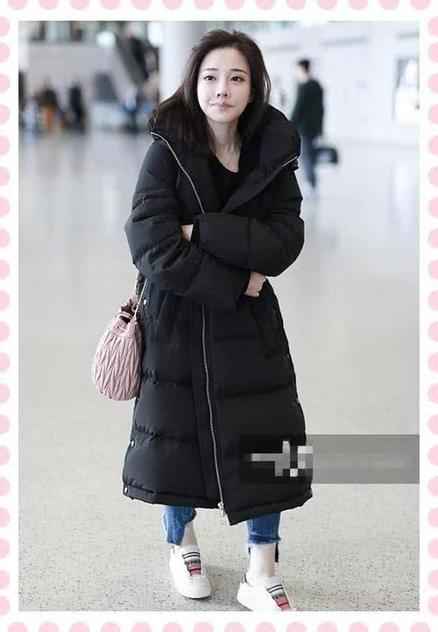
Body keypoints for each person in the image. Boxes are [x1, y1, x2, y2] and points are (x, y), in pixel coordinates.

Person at [121, 28, 313, 611]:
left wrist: (201, 229)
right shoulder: (167, 146)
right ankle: (180, 543)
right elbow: (149, 241)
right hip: (180, 316)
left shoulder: (273, 149)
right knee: (175, 433)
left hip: (252, 325)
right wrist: (233, 279)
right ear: (193, 83)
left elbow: (285, 239)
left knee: (272, 434)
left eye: (235, 78)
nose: (221, 89)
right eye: (210, 77)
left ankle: (263, 565)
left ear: (254, 87)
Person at [289, 59, 324, 195]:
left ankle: (311, 183)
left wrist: (290, 125)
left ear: (302, 69)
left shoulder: (304, 86)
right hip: (314, 127)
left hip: (304, 128)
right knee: (310, 155)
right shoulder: (317, 85)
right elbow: (321, 109)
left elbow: (298, 108)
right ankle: (312, 183)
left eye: (297, 69)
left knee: (306, 156)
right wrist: (320, 128)